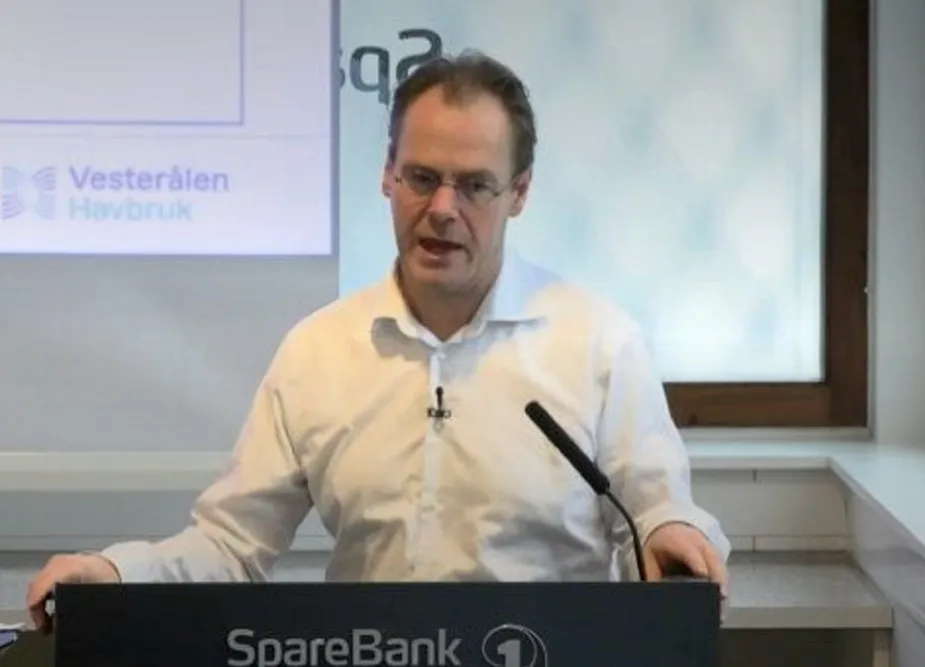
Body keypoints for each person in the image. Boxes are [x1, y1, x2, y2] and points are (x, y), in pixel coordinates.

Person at [26, 50, 731, 630]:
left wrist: (675, 537)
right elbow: (230, 546)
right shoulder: (319, 350)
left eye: (475, 186)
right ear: (388, 174)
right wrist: (115, 575)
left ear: (519, 193)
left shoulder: (599, 341)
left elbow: (654, 515)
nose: (442, 209)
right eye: (422, 178)